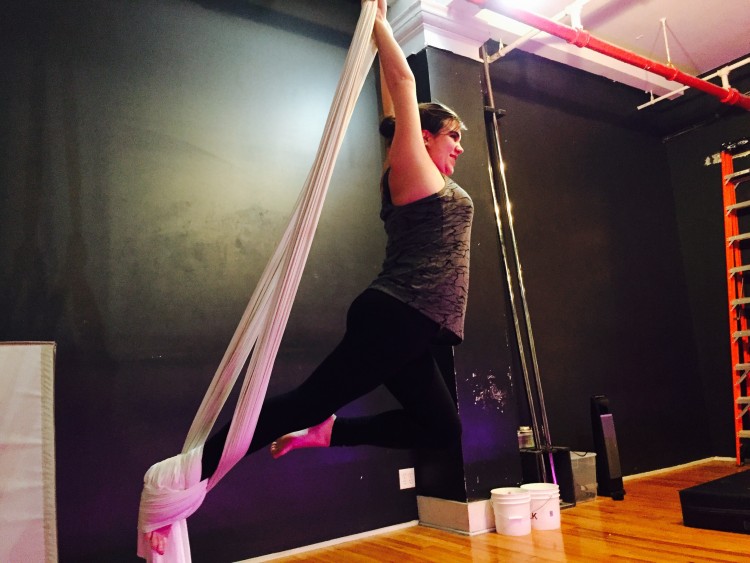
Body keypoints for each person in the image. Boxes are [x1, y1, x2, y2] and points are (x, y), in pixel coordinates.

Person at [147, 0, 473, 554]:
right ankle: (183, 475)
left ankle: (326, 433)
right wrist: (379, 18)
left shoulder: (429, 180)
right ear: (424, 138)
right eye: (452, 137)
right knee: (301, 401)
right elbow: (398, 77)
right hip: (396, 313)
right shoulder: (413, 172)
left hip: (414, 324)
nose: (459, 148)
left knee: (441, 431)